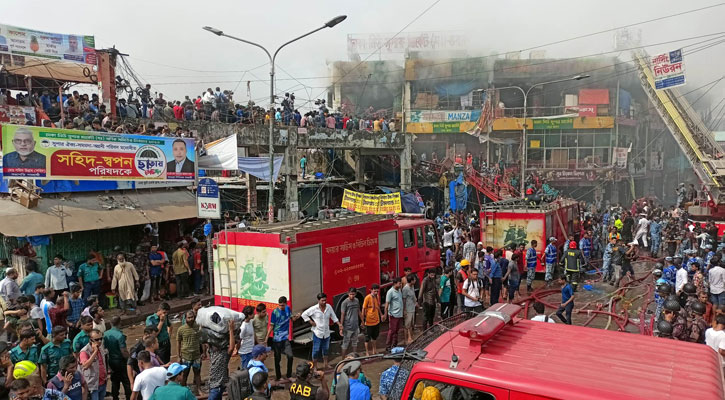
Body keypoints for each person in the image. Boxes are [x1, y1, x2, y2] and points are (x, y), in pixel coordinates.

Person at [301, 293, 340, 370]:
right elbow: (304, 314)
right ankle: (315, 366)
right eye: (322, 301)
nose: (324, 302)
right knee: (316, 350)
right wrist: (311, 322)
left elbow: (334, 317)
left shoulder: (329, 307)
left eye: (325, 300)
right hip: (317, 333)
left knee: (326, 349)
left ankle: (326, 364)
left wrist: (339, 324)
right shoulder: (314, 309)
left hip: (326, 333)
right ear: (318, 300)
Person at [268, 297, 298, 381]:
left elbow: (292, 319)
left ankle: (289, 375)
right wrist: (267, 337)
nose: (281, 307)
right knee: (277, 359)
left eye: (283, 305)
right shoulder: (275, 312)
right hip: (277, 339)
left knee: (290, 356)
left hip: (285, 338)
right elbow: (271, 326)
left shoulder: (288, 309)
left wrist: (297, 317)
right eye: (280, 305)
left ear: (285, 304)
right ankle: (279, 376)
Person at [205, 319, 235, 400]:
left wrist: (231, 330)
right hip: (213, 386)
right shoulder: (212, 352)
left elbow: (232, 347)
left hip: (217, 387)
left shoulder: (223, 355)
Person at [103, 316, 130, 400]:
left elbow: (105, 348)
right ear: (120, 323)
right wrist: (129, 359)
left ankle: (115, 397)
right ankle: (129, 397)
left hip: (111, 360)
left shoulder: (106, 334)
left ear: (111, 323)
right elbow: (123, 351)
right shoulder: (120, 335)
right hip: (120, 361)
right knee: (126, 381)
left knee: (114, 381)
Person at [176, 310, 202, 393]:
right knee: (184, 375)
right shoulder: (181, 329)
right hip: (185, 355)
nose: (191, 319)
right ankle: (183, 391)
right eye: (189, 317)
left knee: (197, 373)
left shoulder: (198, 327)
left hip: (196, 355)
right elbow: (178, 342)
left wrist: (204, 352)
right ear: (185, 318)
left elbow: (201, 340)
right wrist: (178, 356)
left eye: (192, 317)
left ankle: (199, 389)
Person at [78, 329, 106, 400]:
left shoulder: (101, 346)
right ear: (91, 340)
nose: (99, 341)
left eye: (101, 339)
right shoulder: (84, 351)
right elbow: (85, 366)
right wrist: (95, 352)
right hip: (92, 384)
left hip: (102, 381)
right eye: (97, 339)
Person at [340, 288, 362, 358]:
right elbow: (342, 315)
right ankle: (343, 358)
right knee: (345, 343)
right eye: (350, 294)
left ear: (355, 294)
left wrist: (362, 321)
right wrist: (341, 327)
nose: (352, 296)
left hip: (355, 326)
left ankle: (354, 357)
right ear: (348, 293)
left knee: (355, 343)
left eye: (353, 294)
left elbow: (359, 311)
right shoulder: (345, 303)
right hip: (347, 327)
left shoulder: (357, 301)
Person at [362, 284, 382, 356]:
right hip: (368, 322)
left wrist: (381, 315)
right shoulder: (367, 298)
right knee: (367, 338)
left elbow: (377, 307)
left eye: (377, 291)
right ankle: (367, 352)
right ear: (371, 290)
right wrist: (363, 319)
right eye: (375, 291)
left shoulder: (377, 297)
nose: (376, 292)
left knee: (374, 337)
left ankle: (374, 350)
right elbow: (363, 308)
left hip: (376, 321)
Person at [384, 278, 404, 351]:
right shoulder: (390, 292)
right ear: (395, 283)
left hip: (399, 314)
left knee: (396, 330)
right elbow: (387, 304)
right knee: (392, 330)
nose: (400, 284)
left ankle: (394, 345)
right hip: (393, 314)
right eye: (399, 283)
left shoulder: (399, 290)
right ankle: (388, 346)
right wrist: (385, 314)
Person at [238, 305, 255, 370]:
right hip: (245, 352)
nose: (254, 314)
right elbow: (240, 339)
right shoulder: (243, 327)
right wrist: (237, 349)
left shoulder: (250, 322)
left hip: (251, 350)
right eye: (253, 313)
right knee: (245, 370)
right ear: (248, 315)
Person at [400, 276, 417, 344]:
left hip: (412, 308)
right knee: (407, 325)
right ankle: (406, 339)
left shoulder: (412, 287)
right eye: (414, 280)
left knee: (411, 324)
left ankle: (410, 337)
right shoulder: (405, 289)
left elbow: (413, 297)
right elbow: (403, 300)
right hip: (408, 309)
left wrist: (416, 303)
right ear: (412, 281)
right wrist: (404, 310)